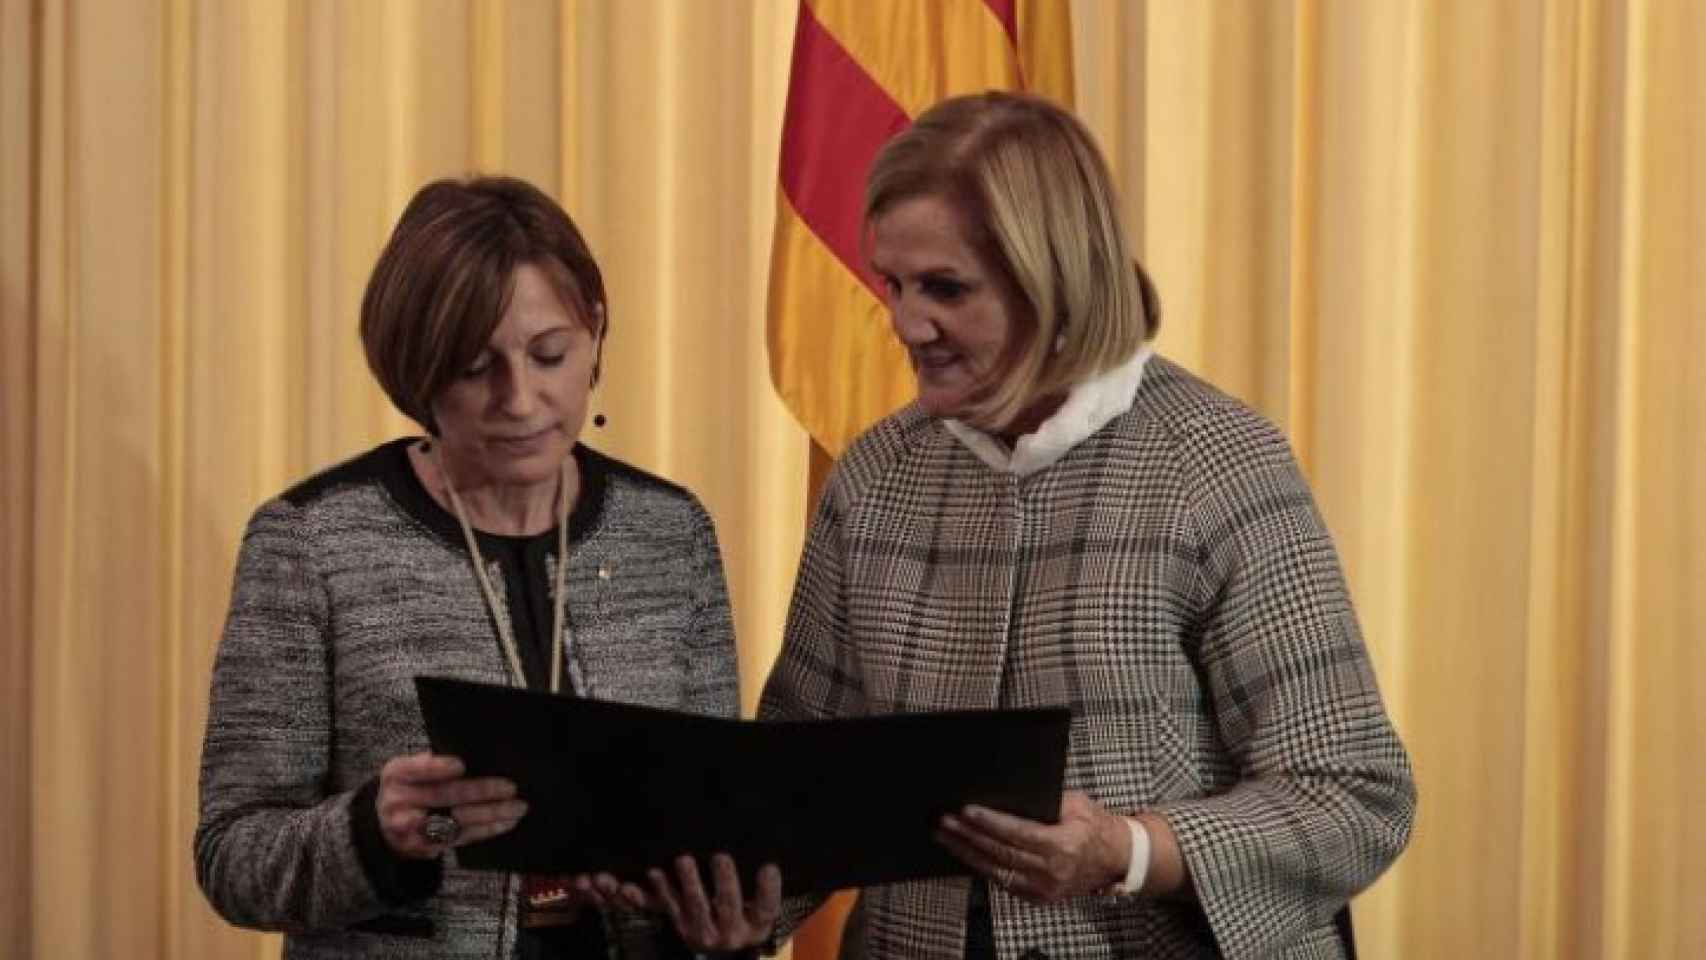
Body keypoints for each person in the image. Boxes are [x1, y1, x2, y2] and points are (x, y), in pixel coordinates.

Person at [747, 92, 1416, 958]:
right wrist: (723, 911)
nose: (907, 324)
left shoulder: (1215, 463)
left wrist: (1130, 852)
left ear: (1052, 273)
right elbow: (798, 787)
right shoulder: (876, 475)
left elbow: (1354, 794)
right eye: (895, 284)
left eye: (946, 287)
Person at [195, 175, 747, 959]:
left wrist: (708, 910)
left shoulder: (671, 532)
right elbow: (232, 858)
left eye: (549, 354)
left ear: (594, 332)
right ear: (417, 369)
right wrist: (374, 833)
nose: (521, 399)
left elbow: (714, 820)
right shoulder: (312, 541)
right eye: (474, 367)